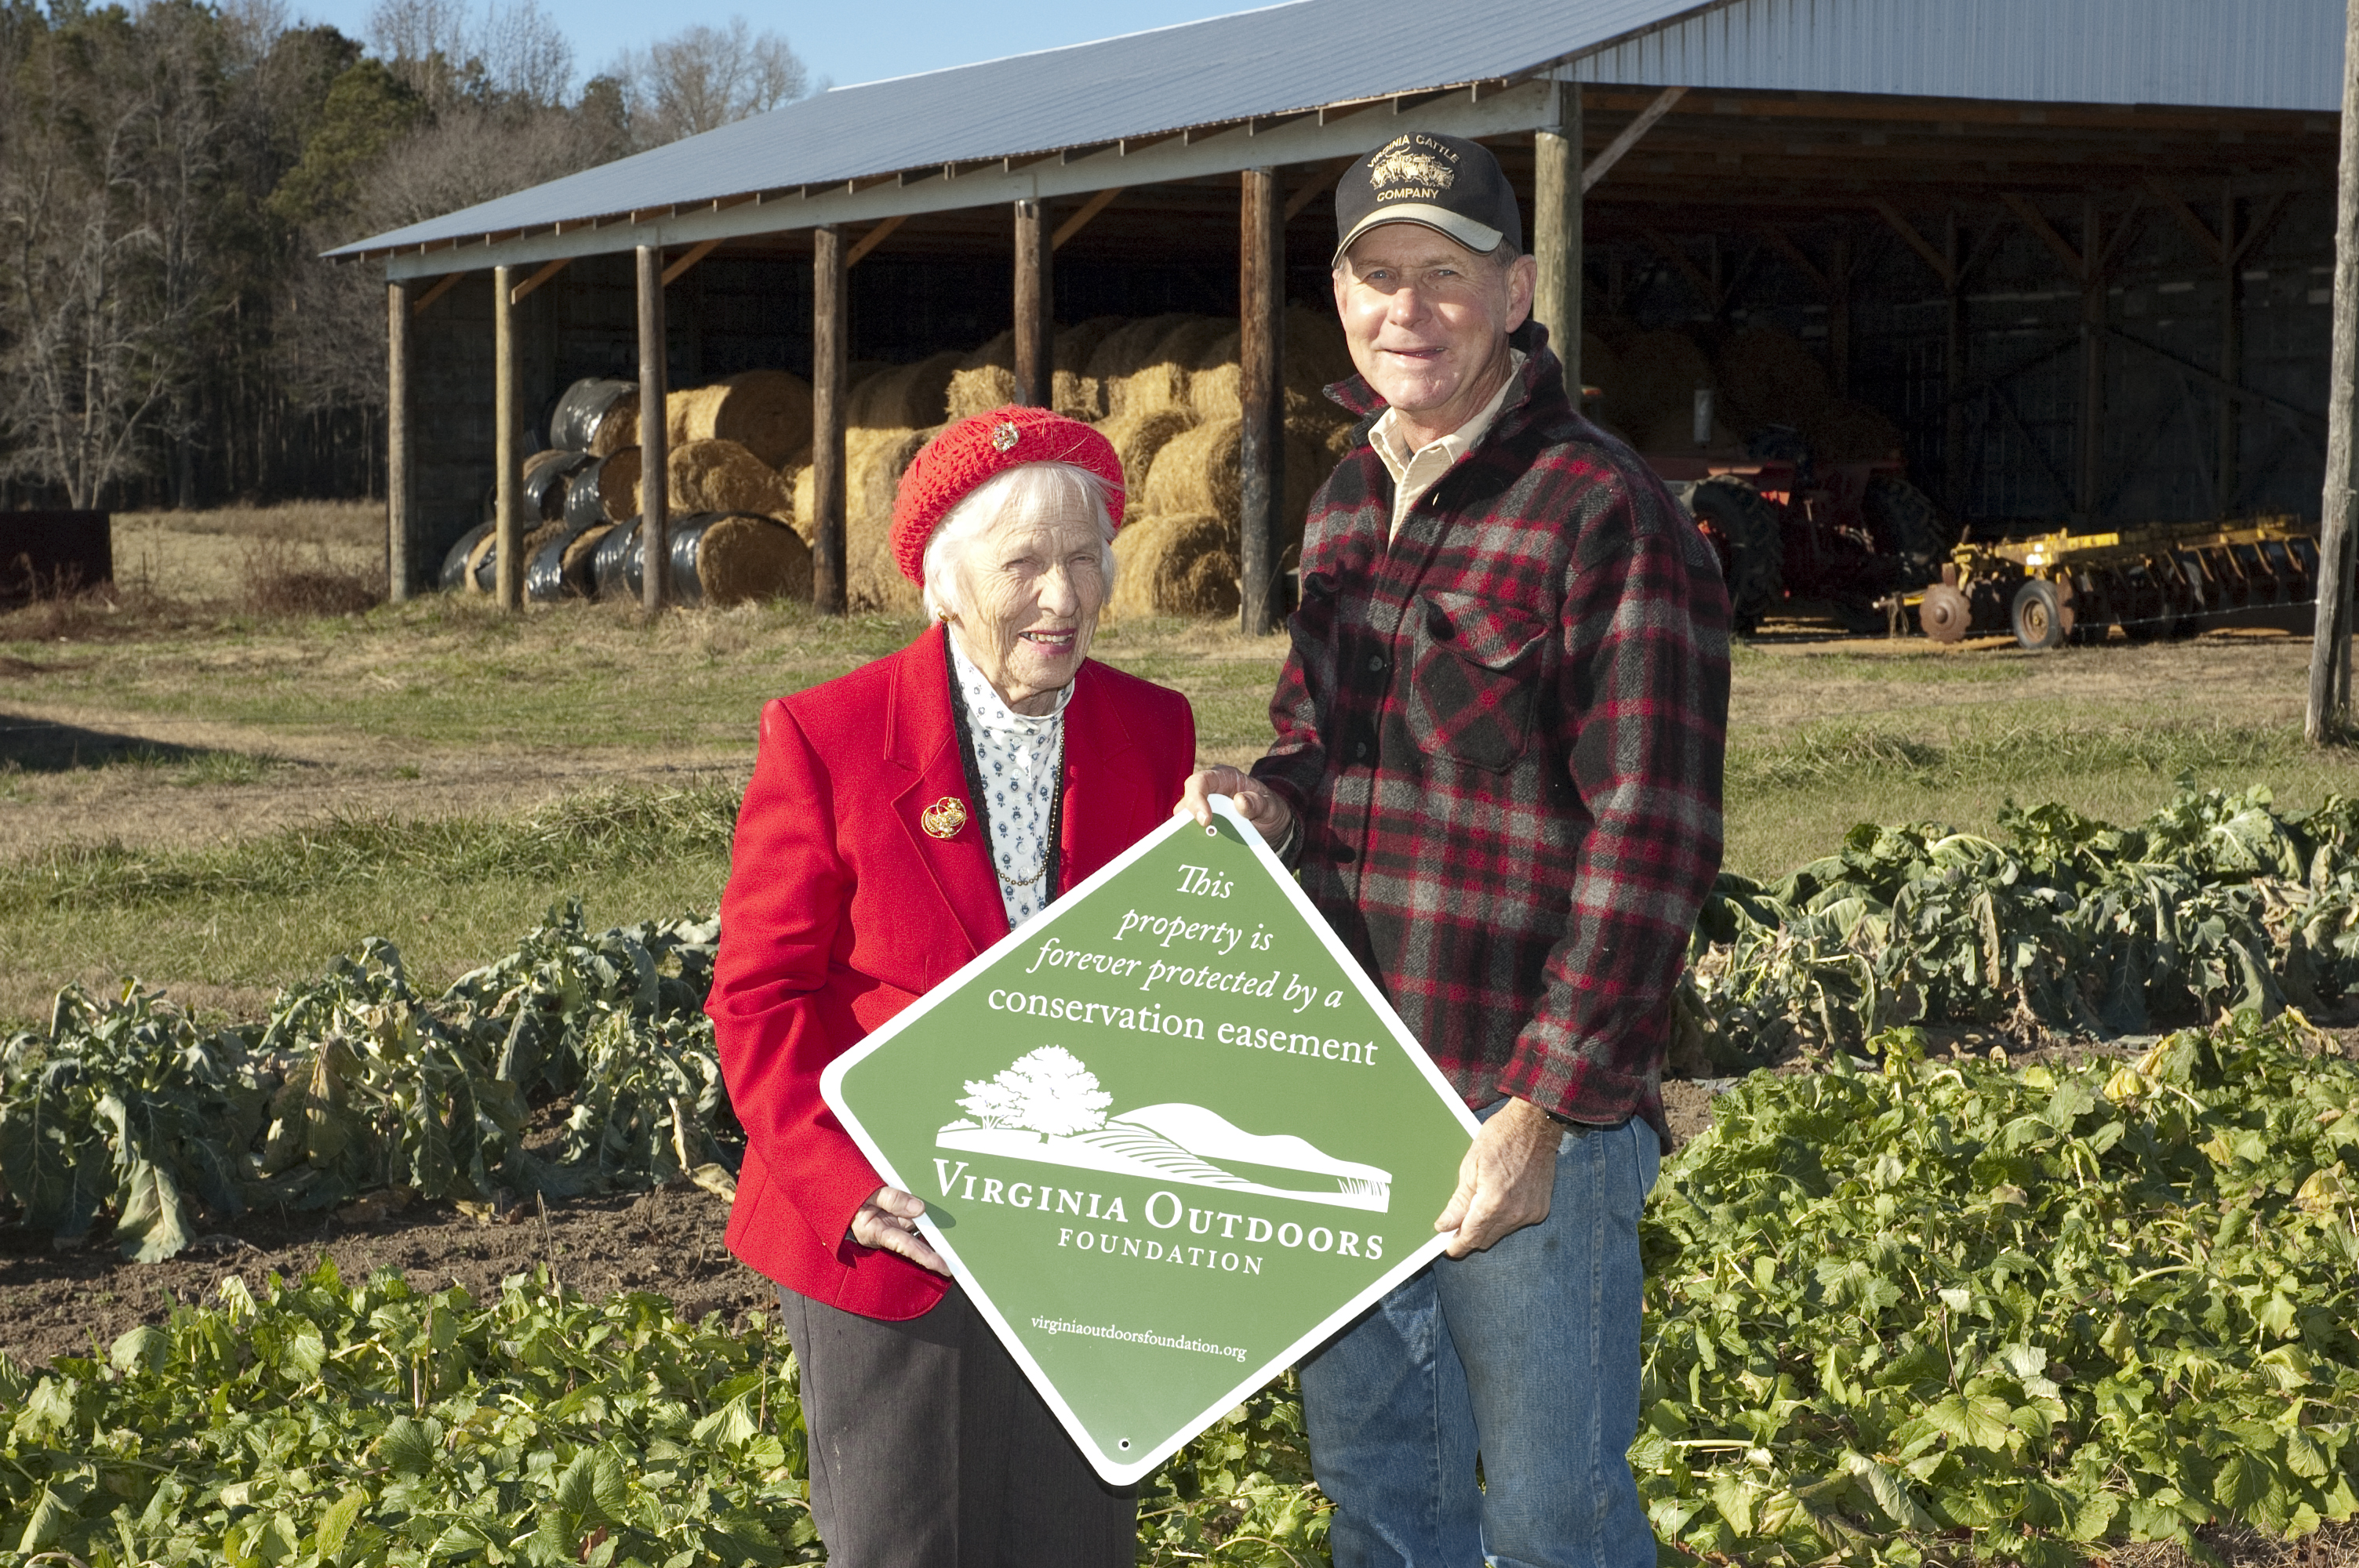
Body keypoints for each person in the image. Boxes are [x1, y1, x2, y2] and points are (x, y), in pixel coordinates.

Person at [1180, 132, 1731, 1568]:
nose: (1405, 310)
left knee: (1553, 1515)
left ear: (1519, 287)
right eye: (1376, 277)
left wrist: (1544, 1111)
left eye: (1445, 274)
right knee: (1384, 1495)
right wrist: (1270, 803)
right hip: (1352, 1082)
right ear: (1341, 296)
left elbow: (1652, 840)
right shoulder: (1350, 498)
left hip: (1518, 1092)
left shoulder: (1609, 514)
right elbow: (1323, 740)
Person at [709, 404, 1198, 1568]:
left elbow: (1169, 971)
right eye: (1023, 563)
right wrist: (848, 1185)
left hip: (1079, 1232)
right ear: (941, 582)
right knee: (906, 1545)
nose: (1063, 597)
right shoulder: (828, 736)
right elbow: (758, 998)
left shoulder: (1152, 729)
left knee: (1074, 1542)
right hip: (894, 1236)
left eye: (1085, 560)